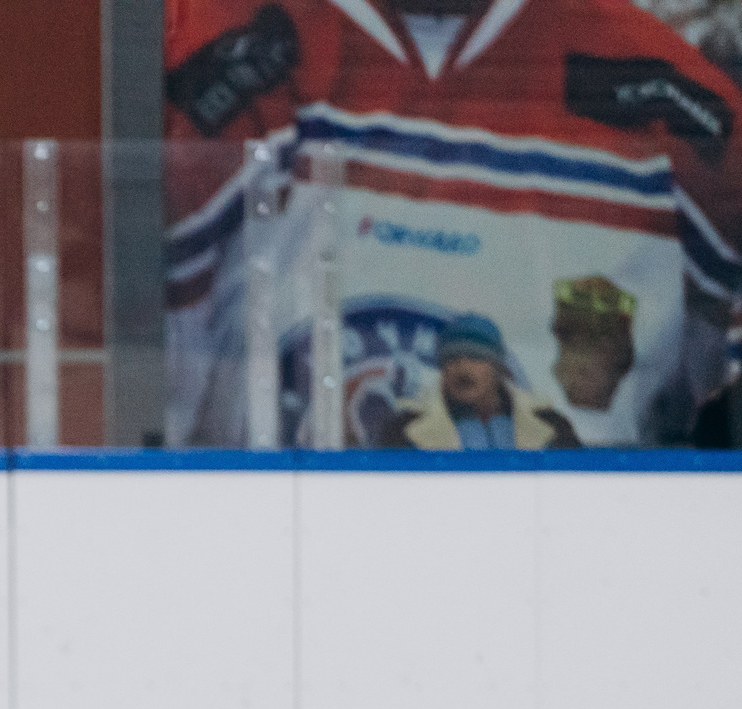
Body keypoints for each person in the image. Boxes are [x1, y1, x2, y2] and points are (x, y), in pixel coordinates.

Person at [163, 0, 742, 447]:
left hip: (568, 582)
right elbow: (131, 423)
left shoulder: (687, 120)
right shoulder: (202, 64)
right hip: (282, 574)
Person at [378, 313, 582, 449]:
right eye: (453, 359)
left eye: (476, 358)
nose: (463, 369)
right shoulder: (403, 430)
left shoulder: (550, 424)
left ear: (498, 368)